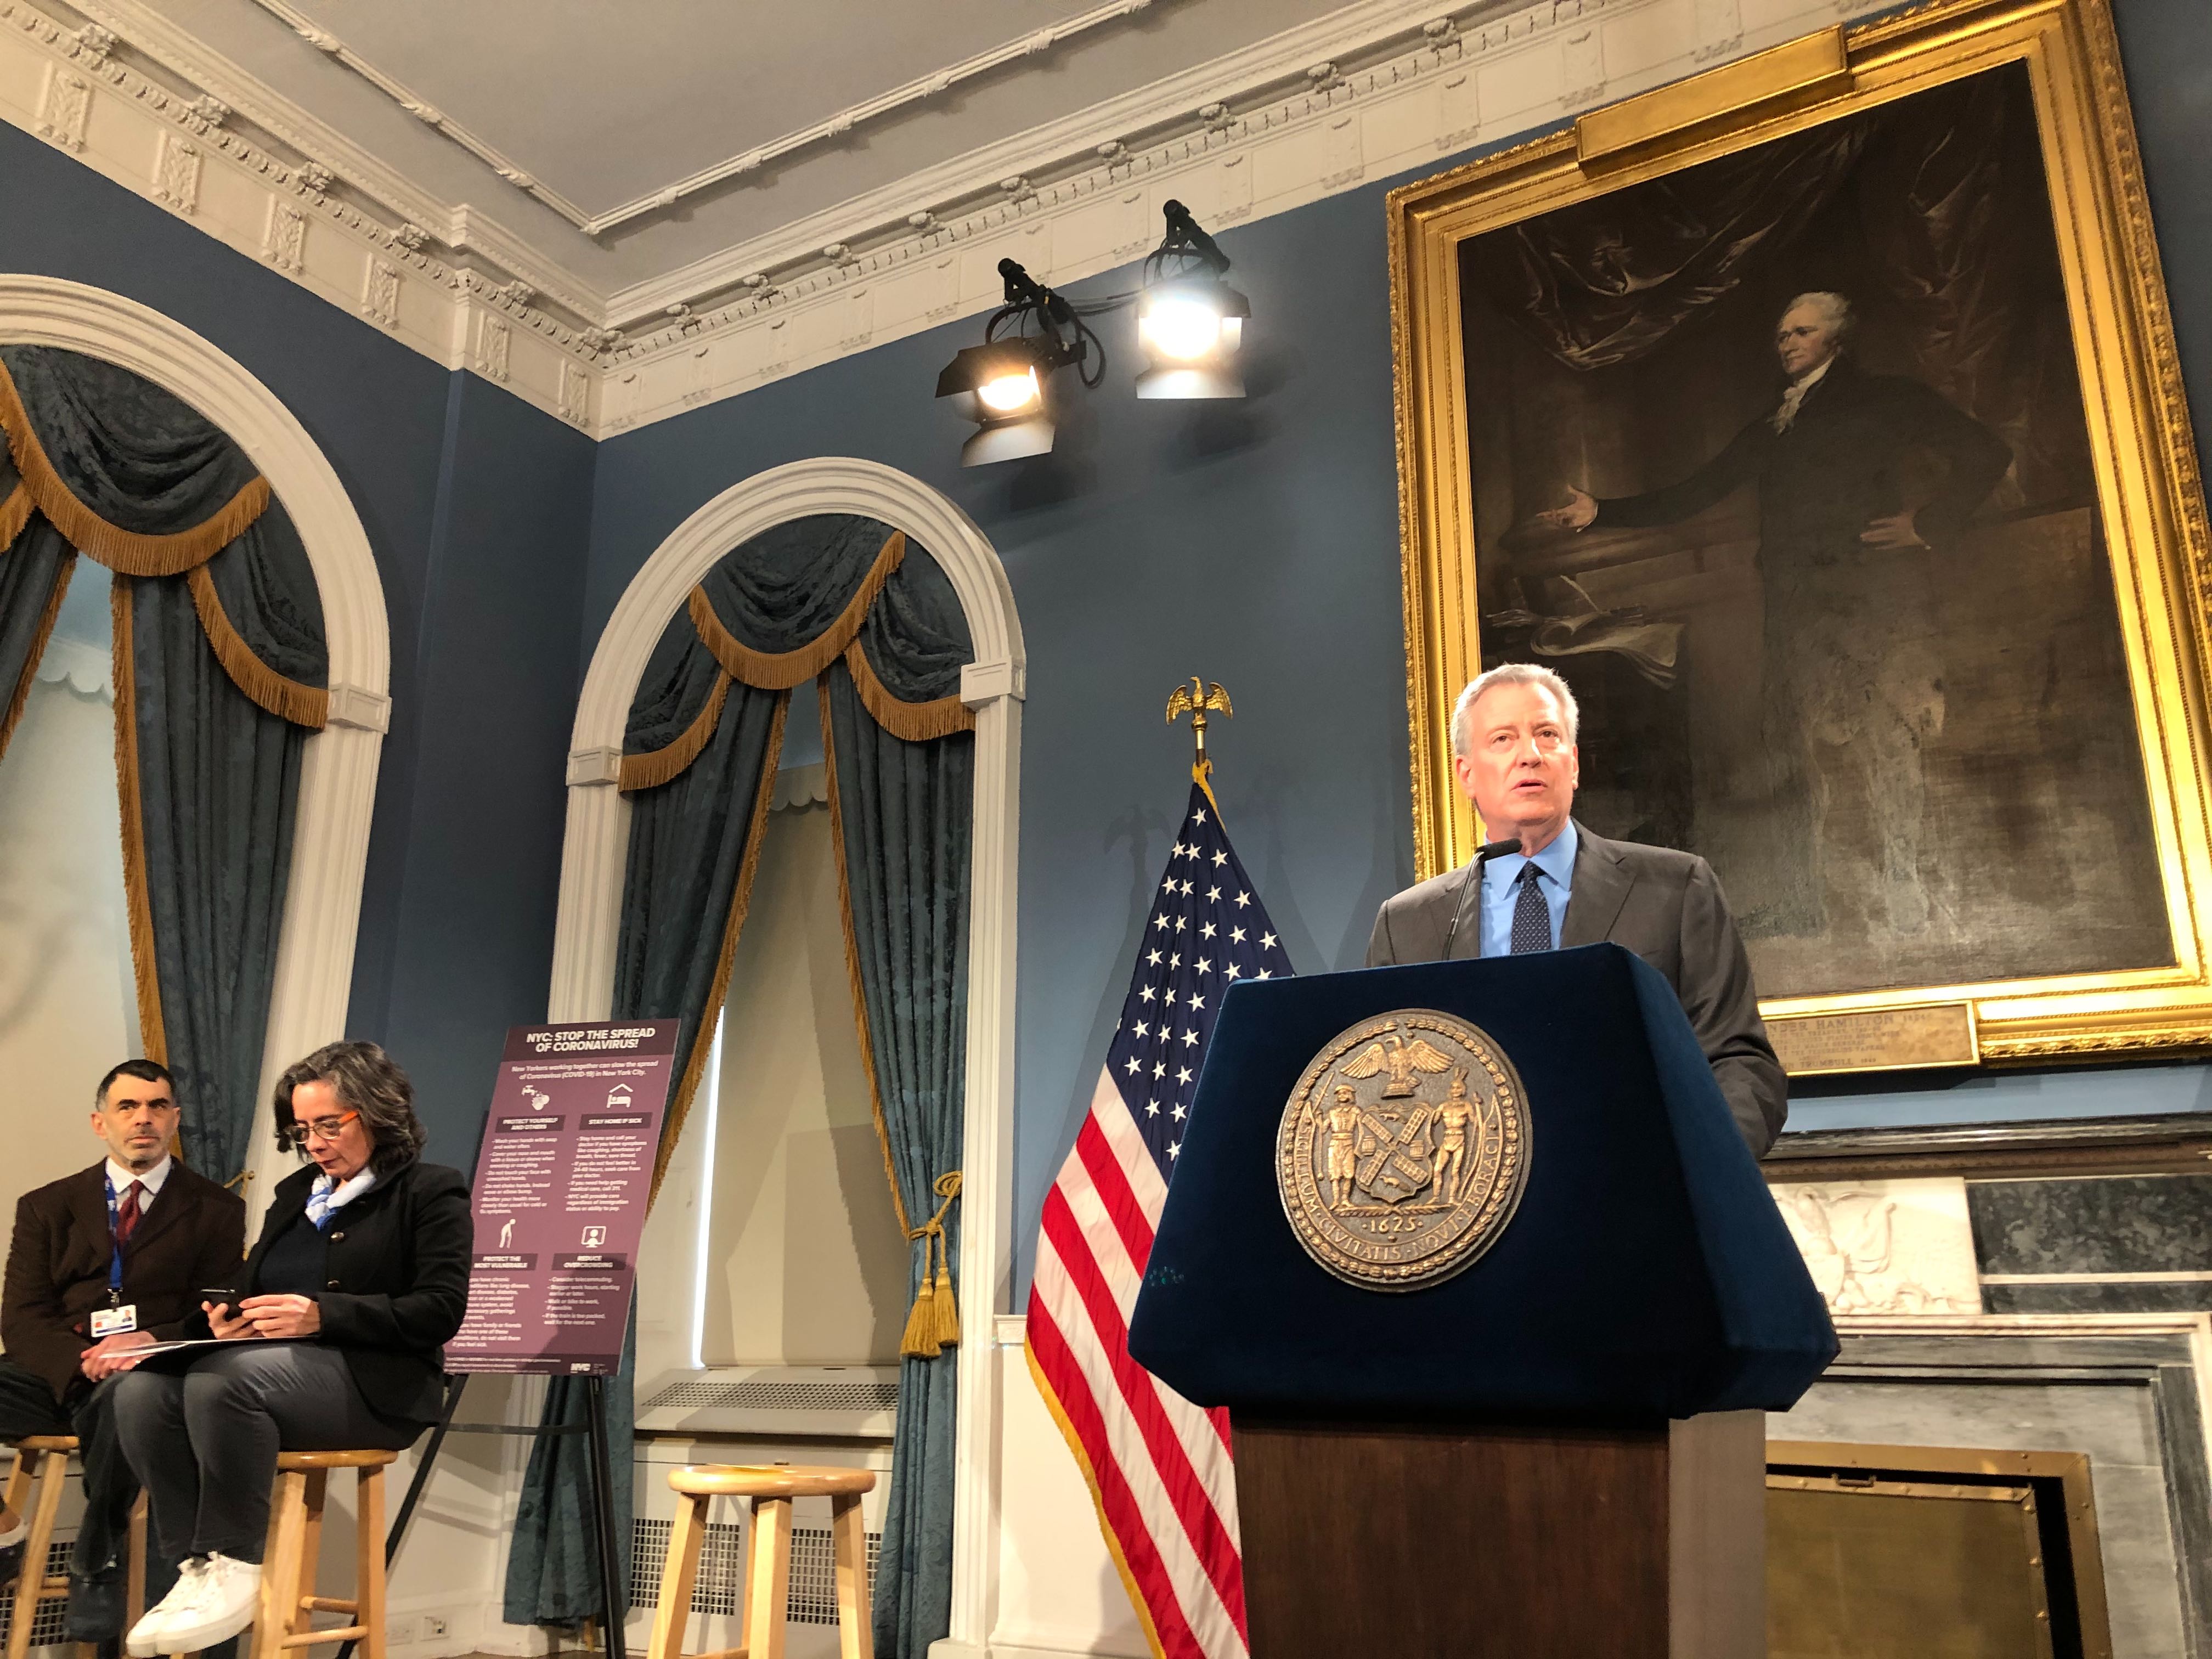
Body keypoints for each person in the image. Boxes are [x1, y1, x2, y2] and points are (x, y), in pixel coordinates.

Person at [1533, 291, 2012, 938]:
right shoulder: (1777, 418)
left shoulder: (1886, 397)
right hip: (1795, 607)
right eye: (1783, 334)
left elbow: (1986, 451)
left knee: (1888, 744)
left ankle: (1907, 889)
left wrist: (1928, 524)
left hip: (1873, 602)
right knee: (1793, 748)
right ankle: (1801, 902)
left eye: (1802, 332)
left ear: (1836, 340)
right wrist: (1602, 513)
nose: (1787, 343)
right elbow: (1700, 489)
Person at [110, 1042, 470, 1657]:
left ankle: (237, 1563)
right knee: (140, 1389)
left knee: (222, 1382)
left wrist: (323, 1315)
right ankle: (195, 1566)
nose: (315, 1143)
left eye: (329, 1125)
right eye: (303, 1130)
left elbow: (441, 1310)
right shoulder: (297, 1190)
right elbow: (249, 1286)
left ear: (378, 1112)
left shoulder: (430, 1190)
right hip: (274, 1376)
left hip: (375, 1389)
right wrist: (223, 1322)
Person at [1367, 663, 1785, 1155]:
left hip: (1635, 1182)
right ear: (1467, 775)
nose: (1530, 754)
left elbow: (1740, 1063)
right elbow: (1381, 1086)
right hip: (1470, 1186)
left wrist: (1697, 1167)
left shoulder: (1675, 888)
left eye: (1548, 734)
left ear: (1574, 764)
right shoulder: (1406, 924)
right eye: (1503, 739)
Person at [0, 1060, 245, 1640]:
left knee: (129, 1395)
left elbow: (214, 1312)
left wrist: (150, 1343)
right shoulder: (47, 1205)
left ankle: (96, 1559)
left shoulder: (216, 1208)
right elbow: (22, 1315)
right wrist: (80, 1362)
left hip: (146, 1373)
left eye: (157, 1107)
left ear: (175, 1119)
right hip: (60, 1372)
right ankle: (6, 1530)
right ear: (100, 1123)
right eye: (128, 1107)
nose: (144, 1119)